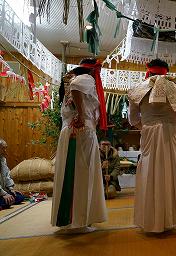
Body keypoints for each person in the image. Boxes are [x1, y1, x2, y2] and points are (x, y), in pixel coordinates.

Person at [127, 58, 176, 232]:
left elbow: (133, 119)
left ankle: (150, 219)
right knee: (169, 170)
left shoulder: (139, 88)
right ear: (166, 71)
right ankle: (169, 218)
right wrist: (170, 123)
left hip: (149, 132)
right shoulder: (175, 87)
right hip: (170, 132)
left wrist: (146, 126)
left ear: (149, 70)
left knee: (149, 171)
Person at [51, 58, 107, 233]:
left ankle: (70, 220)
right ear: (91, 71)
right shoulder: (85, 79)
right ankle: (78, 222)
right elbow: (76, 88)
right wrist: (82, 115)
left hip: (70, 130)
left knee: (73, 172)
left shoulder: (71, 80)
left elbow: (74, 90)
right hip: (82, 131)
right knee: (83, 174)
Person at [0, 139, 24, 210]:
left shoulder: (3, 160)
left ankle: (5, 202)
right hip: (1, 192)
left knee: (20, 197)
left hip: (3, 191)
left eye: (5, 148)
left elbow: (7, 175)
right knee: (6, 201)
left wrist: (11, 189)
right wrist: (4, 194)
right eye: (2, 148)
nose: (5, 151)